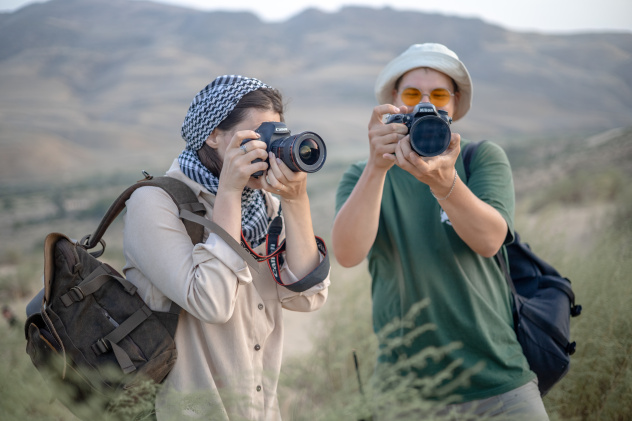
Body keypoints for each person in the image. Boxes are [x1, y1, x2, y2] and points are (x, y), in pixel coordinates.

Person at [332, 44, 548, 419]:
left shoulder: (480, 158)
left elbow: (489, 241)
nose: (424, 105)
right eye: (413, 94)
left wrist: (445, 183)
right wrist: (376, 168)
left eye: (438, 95)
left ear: (454, 102)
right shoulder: (364, 174)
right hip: (405, 394)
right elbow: (348, 255)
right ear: (395, 102)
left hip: (498, 377)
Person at [122, 75, 330, 420]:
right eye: (258, 137)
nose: (270, 149)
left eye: (278, 136)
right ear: (213, 134)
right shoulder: (154, 203)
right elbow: (213, 302)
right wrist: (229, 195)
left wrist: (296, 200)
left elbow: (308, 297)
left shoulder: (262, 204)